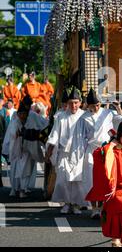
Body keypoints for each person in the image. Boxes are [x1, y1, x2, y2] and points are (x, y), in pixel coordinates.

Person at [70, 88, 114, 219]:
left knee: (105, 179)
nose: (96, 107)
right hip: (91, 151)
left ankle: (102, 206)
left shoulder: (108, 113)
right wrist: (77, 155)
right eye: (93, 105)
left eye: (98, 105)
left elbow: (120, 120)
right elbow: (78, 137)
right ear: (88, 105)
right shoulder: (83, 118)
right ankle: (94, 208)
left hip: (106, 150)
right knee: (91, 179)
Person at [45, 86, 86, 214]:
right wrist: (49, 151)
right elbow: (54, 135)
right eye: (71, 103)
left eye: (76, 103)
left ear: (80, 103)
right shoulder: (61, 117)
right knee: (63, 180)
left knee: (77, 180)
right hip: (64, 153)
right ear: (67, 104)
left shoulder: (84, 117)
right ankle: (66, 203)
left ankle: (75, 204)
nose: (73, 105)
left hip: (79, 153)